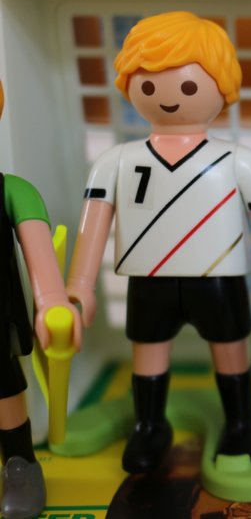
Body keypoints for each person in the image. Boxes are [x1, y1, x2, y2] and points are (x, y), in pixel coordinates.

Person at [67, 11, 251, 473]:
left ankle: (241, 421)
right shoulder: (116, 162)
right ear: (129, 86)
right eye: (147, 84)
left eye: (188, 86)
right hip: (149, 278)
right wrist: (80, 286)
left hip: (218, 277)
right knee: (148, 351)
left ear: (222, 88)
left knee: (230, 349)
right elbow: (94, 223)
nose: (168, 97)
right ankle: (149, 425)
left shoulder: (240, 161)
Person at [0, 79, 81, 518]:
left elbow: (39, 253)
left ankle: (20, 462)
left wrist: (52, 301)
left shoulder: (13, 190)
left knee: (4, 389)